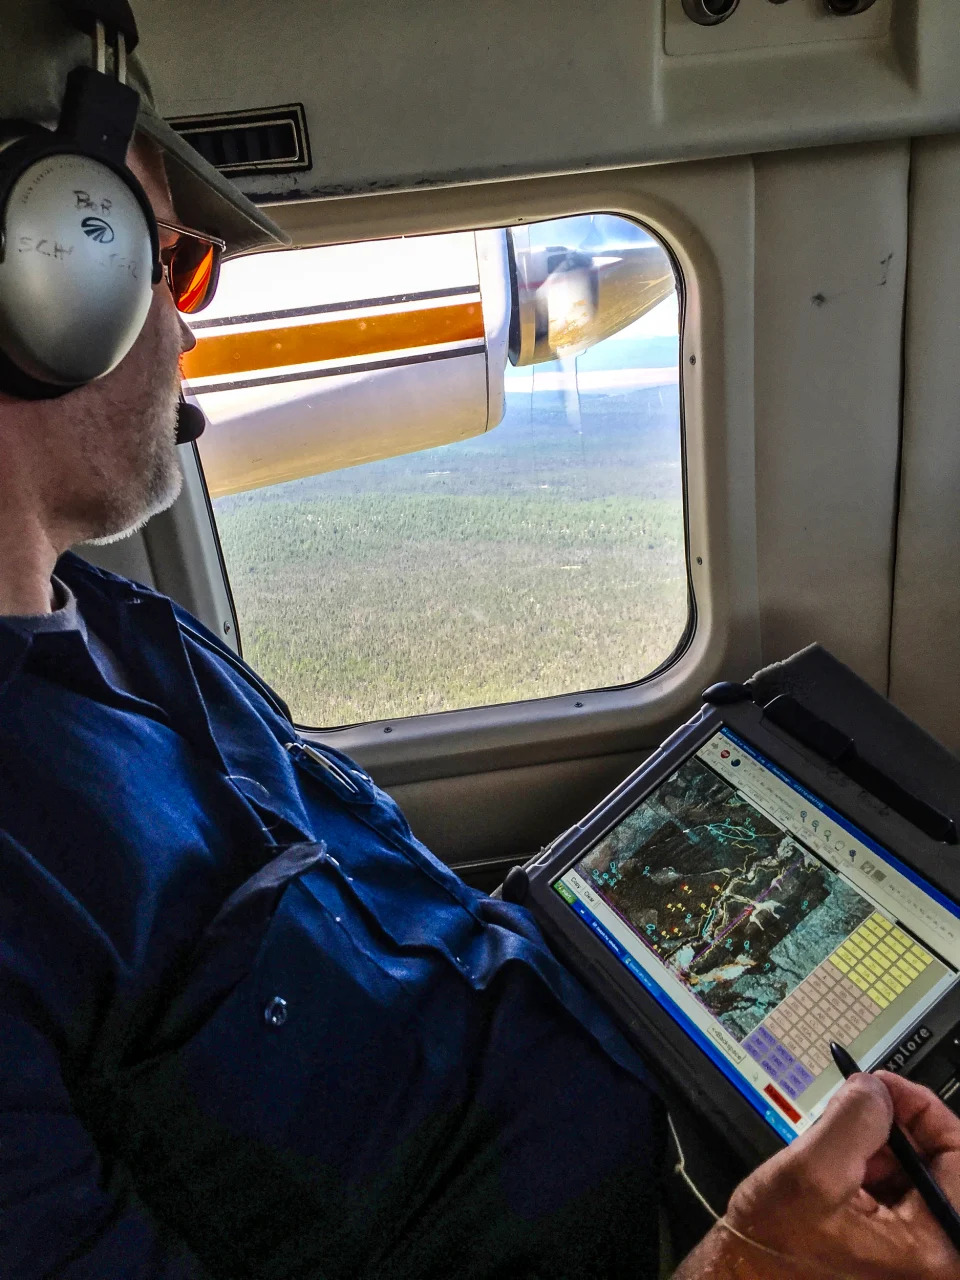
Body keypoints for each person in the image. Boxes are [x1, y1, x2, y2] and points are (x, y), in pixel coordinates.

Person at [0, 5, 958, 1279]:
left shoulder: (119, 627)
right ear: (45, 281)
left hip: (659, 1116)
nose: (188, 333)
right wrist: (746, 1264)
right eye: (172, 265)